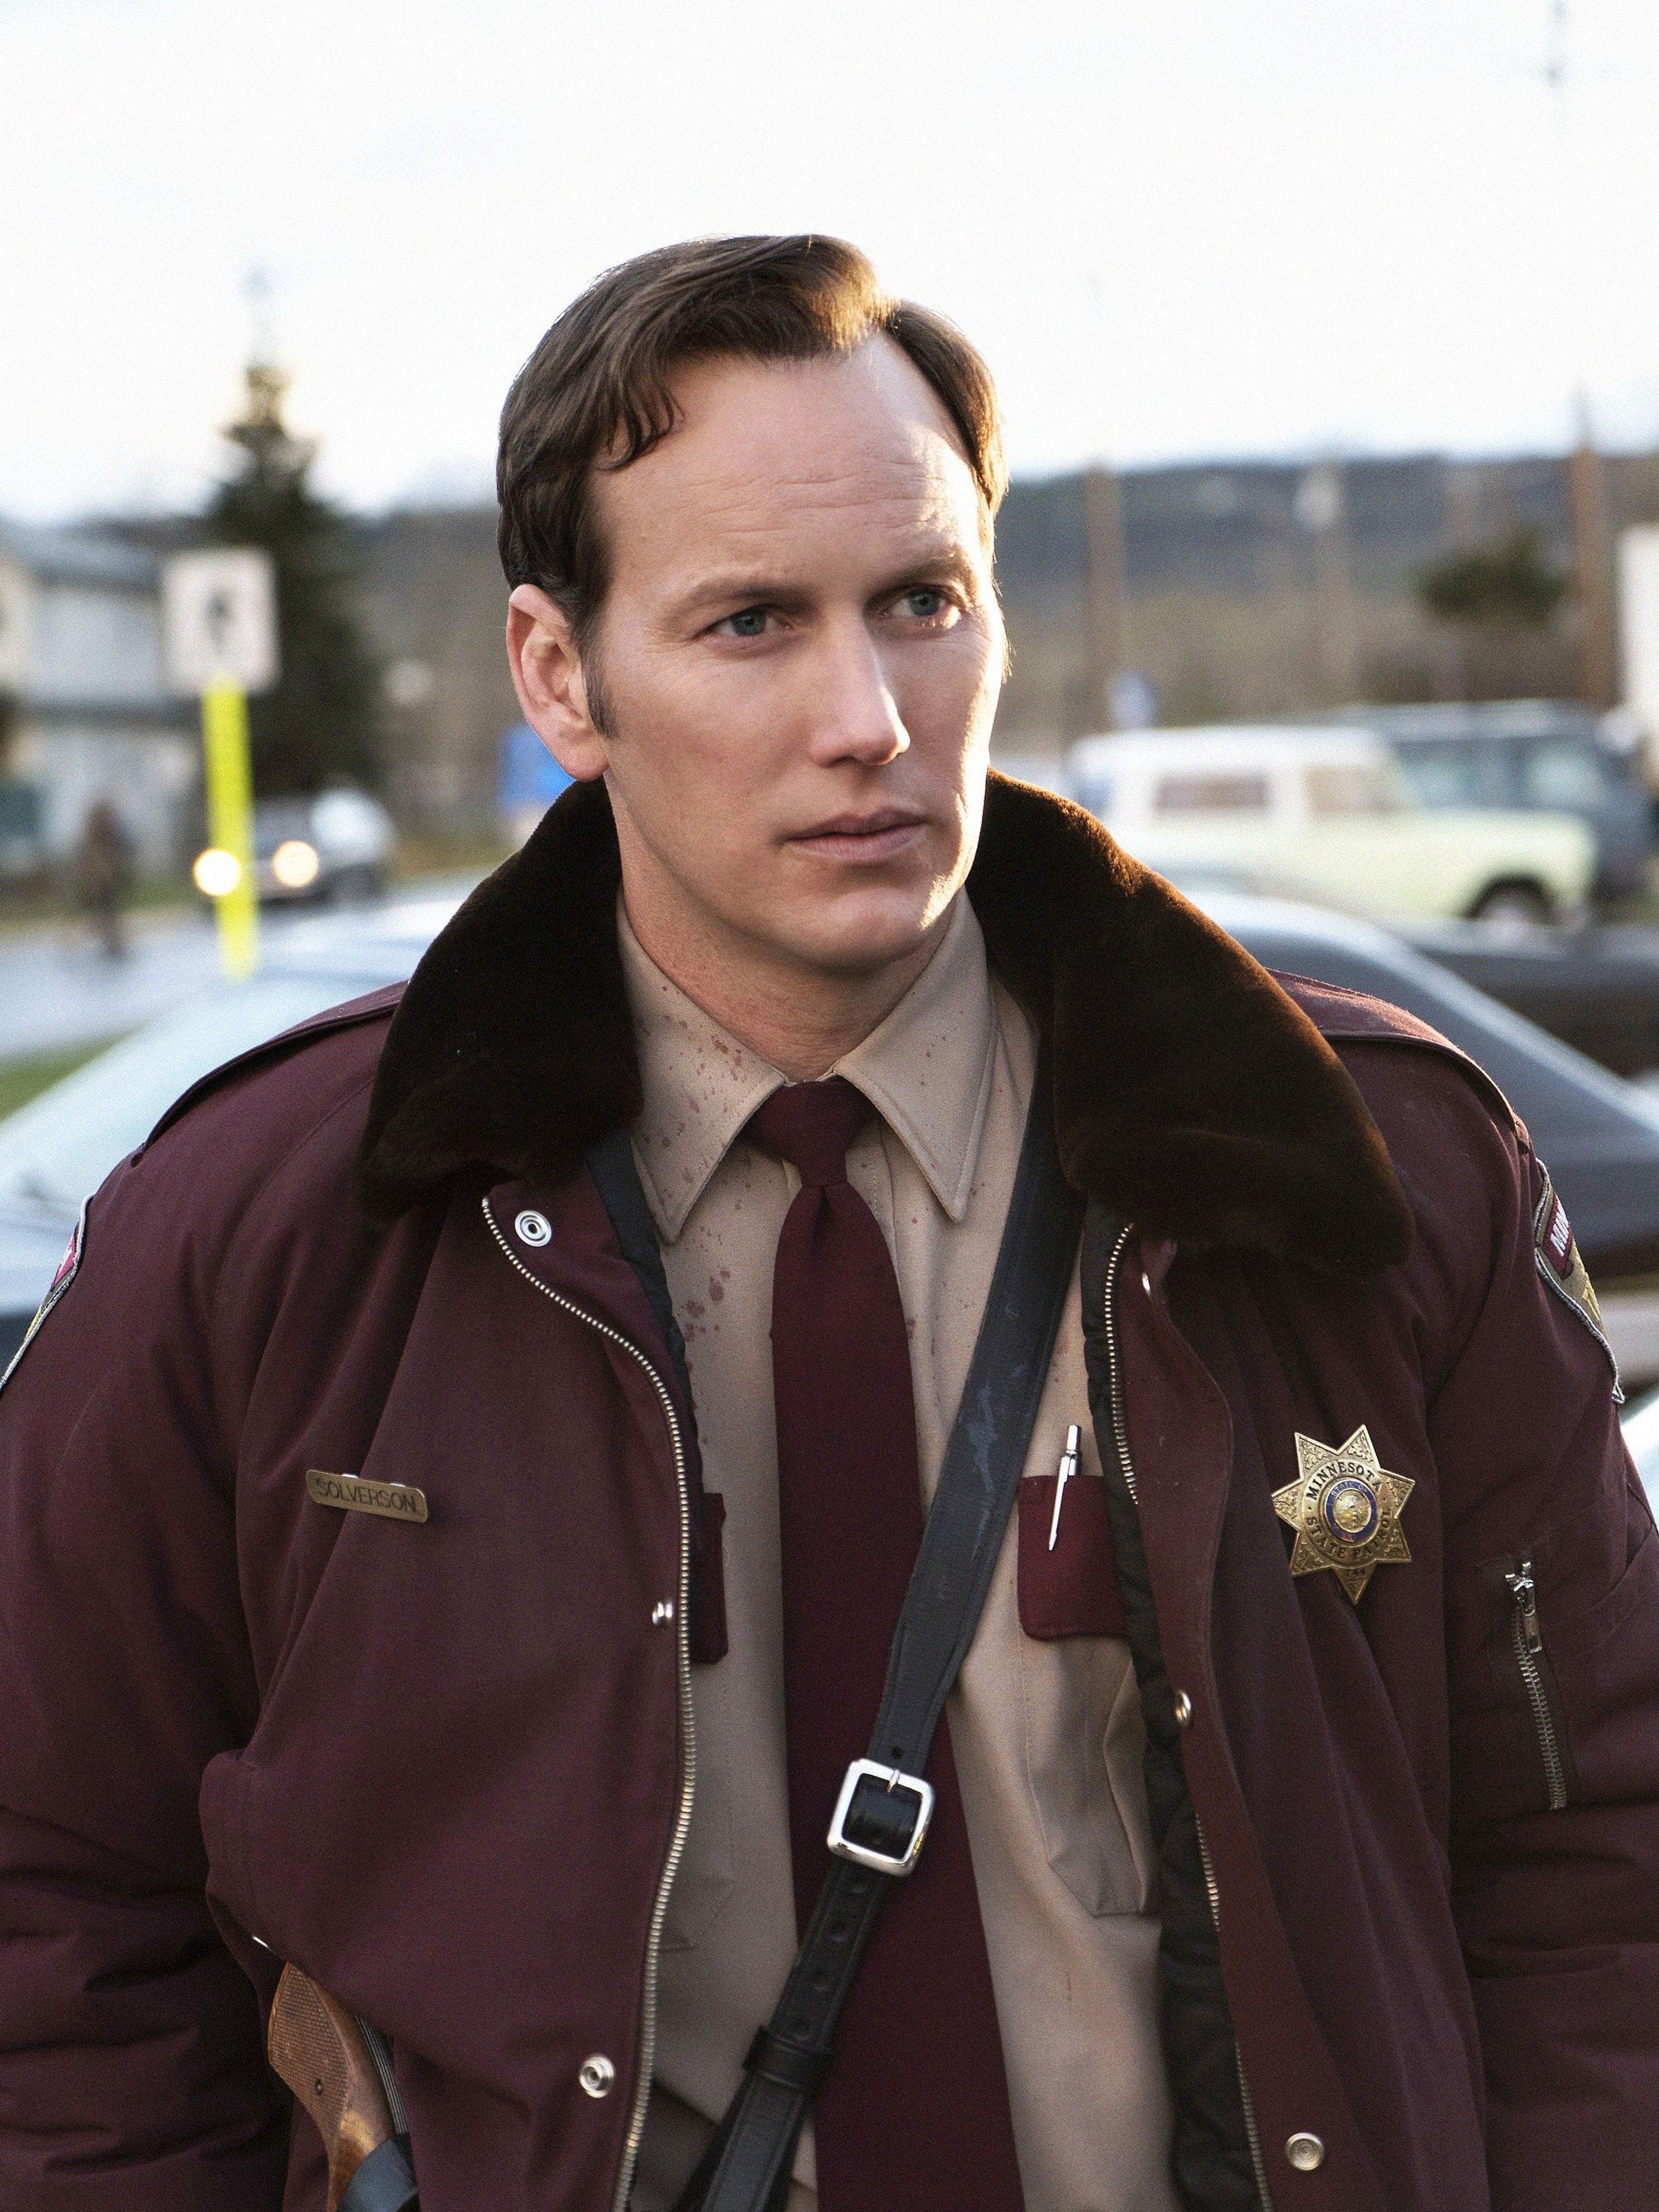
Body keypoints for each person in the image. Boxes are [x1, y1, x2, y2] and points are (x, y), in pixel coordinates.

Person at [1, 236, 1656, 2212]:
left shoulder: (1361, 1177)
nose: (868, 712)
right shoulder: (267, 1233)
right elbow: (51, 1894)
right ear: (561, 673)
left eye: (922, 603)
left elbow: (1597, 1865)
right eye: (751, 623)